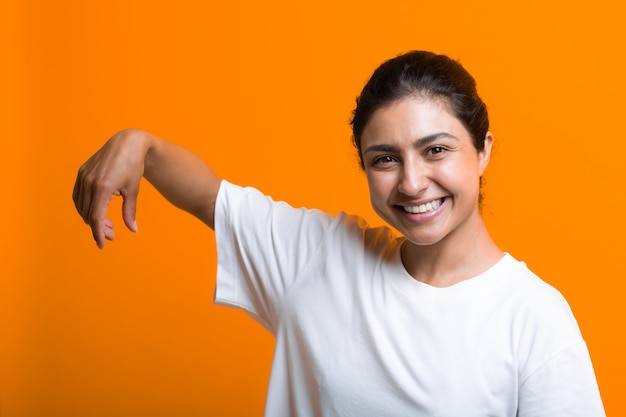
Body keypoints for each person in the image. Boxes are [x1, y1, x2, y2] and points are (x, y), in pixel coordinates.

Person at [73, 51, 606, 416]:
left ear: (483, 149)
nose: (413, 181)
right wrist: (137, 143)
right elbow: (209, 196)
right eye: (385, 159)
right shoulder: (319, 258)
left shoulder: (533, 318)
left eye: (436, 149)